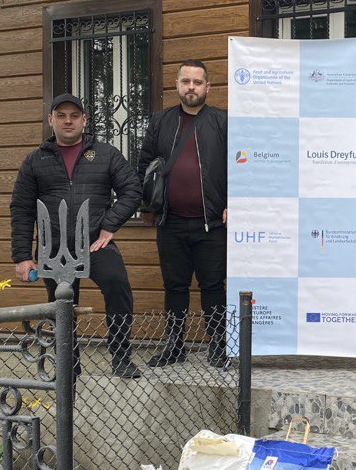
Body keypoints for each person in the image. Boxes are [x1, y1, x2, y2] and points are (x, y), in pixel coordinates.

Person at [11, 93, 143, 378]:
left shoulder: (106, 154)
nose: (67, 121)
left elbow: (132, 190)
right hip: (54, 248)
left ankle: (121, 357)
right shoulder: (35, 161)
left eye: (74, 116)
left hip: (95, 243)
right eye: (61, 116)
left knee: (118, 285)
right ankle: (69, 365)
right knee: (61, 306)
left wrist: (109, 225)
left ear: (84, 120)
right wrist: (22, 256)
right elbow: (21, 209)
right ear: (51, 120)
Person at [137, 60, 229, 368]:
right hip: (171, 223)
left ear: (208, 87)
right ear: (177, 84)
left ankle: (218, 345)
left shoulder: (222, 121)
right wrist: (148, 206)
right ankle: (174, 346)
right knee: (174, 287)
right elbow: (145, 166)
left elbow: (239, 165)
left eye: (197, 82)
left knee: (213, 286)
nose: (191, 87)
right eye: (186, 81)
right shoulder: (160, 121)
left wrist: (233, 202)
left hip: (212, 224)